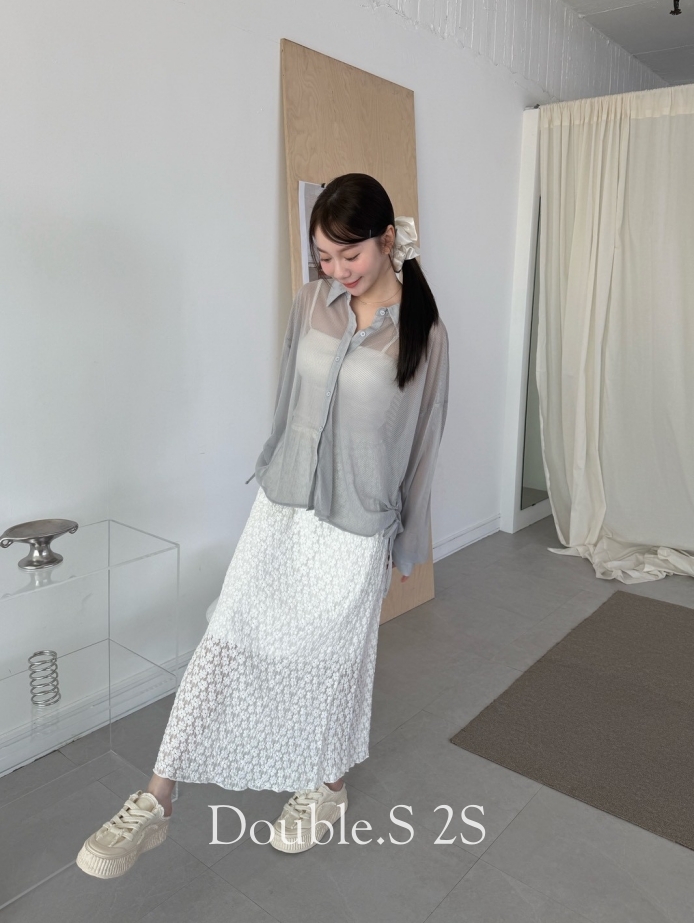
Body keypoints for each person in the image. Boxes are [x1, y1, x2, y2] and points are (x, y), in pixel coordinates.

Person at [76, 173, 449, 874]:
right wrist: (274, 464)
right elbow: (286, 393)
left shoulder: (423, 333)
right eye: (324, 257)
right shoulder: (310, 303)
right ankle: (157, 798)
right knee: (228, 637)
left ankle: (326, 787)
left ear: (386, 241)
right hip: (284, 507)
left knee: (332, 665)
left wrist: (408, 543)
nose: (336, 270)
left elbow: (425, 440)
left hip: (357, 524)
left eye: (349, 255)